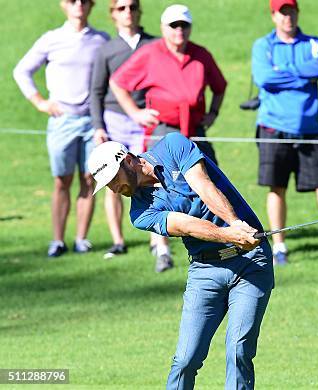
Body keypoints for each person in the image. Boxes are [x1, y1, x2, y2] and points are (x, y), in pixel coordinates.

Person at [87, 132, 274, 389]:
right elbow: (186, 225)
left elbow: (204, 186)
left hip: (251, 262)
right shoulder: (139, 213)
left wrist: (237, 225)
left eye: (113, 179)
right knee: (186, 359)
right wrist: (229, 234)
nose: (114, 189)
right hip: (205, 270)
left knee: (238, 349)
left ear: (128, 160)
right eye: (107, 185)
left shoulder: (173, 145)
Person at [252, 0, 318, 265]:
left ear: (297, 13)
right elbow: (265, 78)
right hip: (273, 127)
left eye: (291, 11)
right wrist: (302, 75)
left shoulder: (313, 43)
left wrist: (285, 73)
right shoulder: (263, 46)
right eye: (282, 12)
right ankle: (279, 246)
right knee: (276, 187)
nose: (288, 17)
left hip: (309, 129)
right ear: (274, 16)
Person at [13, 0, 109, 257]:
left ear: (91, 6)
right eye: (72, 0)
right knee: (61, 180)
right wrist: (40, 102)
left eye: (84, 1)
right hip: (62, 121)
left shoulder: (101, 39)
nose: (78, 4)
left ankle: (81, 239)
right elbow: (22, 71)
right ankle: (57, 240)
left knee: (90, 178)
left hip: (92, 121)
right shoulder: (51, 39)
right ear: (63, 5)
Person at [90, 0, 173, 271]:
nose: (128, 13)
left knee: (148, 175)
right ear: (112, 14)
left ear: (139, 10)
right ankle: (118, 240)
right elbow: (97, 92)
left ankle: (158, 240)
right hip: (115, 118)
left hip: (147, 117)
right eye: (121, 8)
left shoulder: (154, 44)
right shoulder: (106, 49)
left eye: (132, 7)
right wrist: (98, 126)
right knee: (112, 177)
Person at [110, 4, 225, 163]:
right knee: (161, 181)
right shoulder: (150, 52)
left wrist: (213, 113)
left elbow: (220, 87)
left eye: (184, 25)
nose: (179, 30)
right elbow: (117, 82)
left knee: (211, 179)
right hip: (163, 130)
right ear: (163, 28)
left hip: (195, 129)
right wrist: (135, 112)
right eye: (174, 25)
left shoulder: (201, 55)